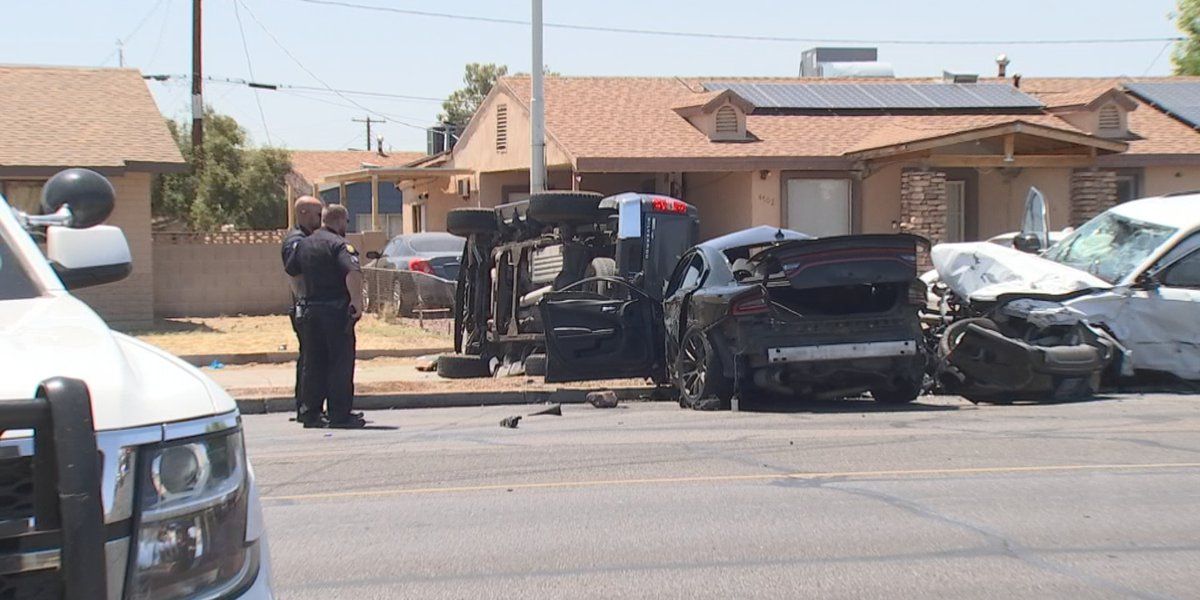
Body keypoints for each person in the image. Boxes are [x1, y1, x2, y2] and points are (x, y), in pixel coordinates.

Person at [285, 204, 367, 429]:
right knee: (340, 363)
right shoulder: (339, 245)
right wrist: (356, 302)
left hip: (311, 311)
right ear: (340, 221)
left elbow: (293, 271)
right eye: (346, 222)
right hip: (335, 311)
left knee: (313, 363)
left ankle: (310, 413)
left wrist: (303, 297)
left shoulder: (304, 244)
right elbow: (352, 272)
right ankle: (339, 414)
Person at [282, 195, 324, 417]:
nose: (321, 219)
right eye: (318, 214)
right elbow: (293, 268)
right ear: (304, 214)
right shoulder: (296, 241)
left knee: (312, 357)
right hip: (304, 307)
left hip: (311, 307)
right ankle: (305, 406)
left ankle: (308, 404)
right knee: (310, 358)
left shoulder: (309, 238)